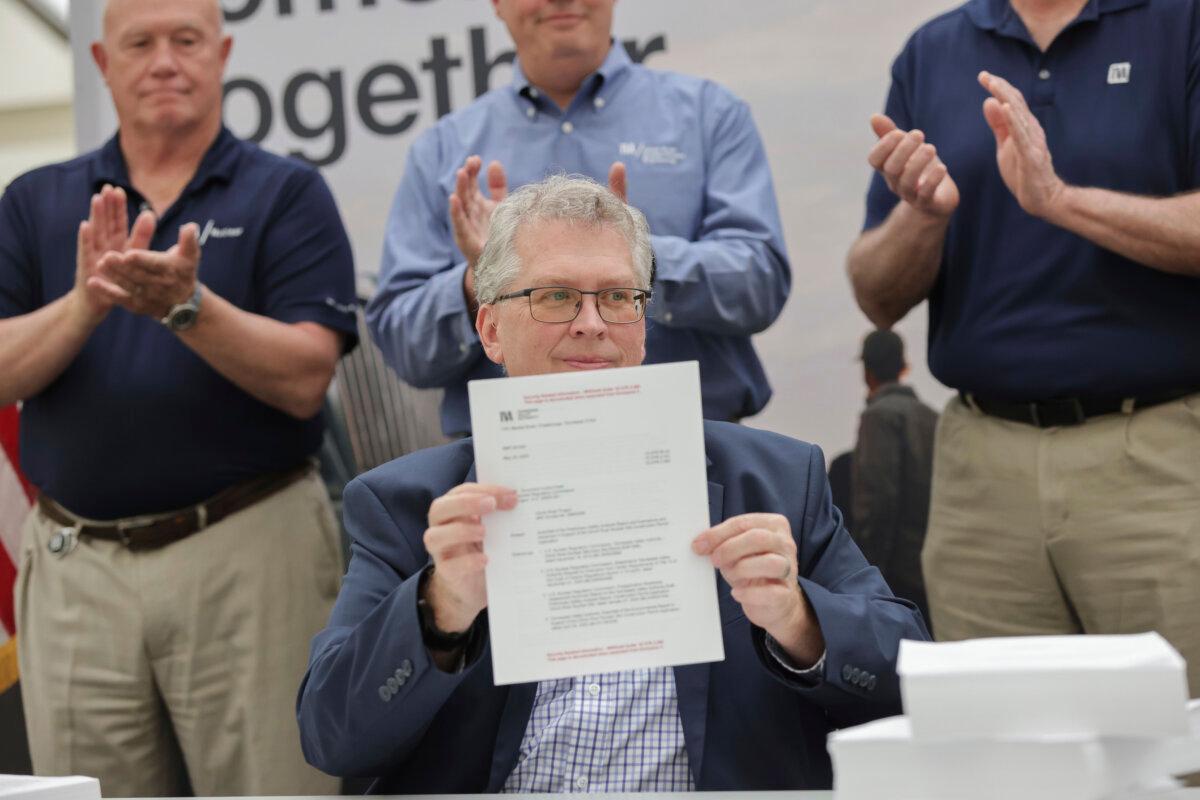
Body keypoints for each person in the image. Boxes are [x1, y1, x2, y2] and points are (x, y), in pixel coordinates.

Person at [298, 176, 926, 792]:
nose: (593, 323)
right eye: (555, 297)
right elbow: (333, 738)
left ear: (643, 324)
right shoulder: (410, 509)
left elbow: (910, 678)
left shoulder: (778, 482)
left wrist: (800, 621)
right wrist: (438, 610)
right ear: (490, 331)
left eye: (619, 297)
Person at [0, 0, 357, 794]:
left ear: (222, 52)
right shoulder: (34, 202)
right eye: (140, 42)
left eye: (186, 39)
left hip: (251, 554)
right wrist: (88, 300)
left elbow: (305, 380)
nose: (165, 60)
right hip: (77, 569)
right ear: (102, 64)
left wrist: (185, 308)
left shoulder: (287, 193)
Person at [846, 0, 1200, 693]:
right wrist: (922, 217)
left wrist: (1060, 200)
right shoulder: (933, 51)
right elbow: (877, 297)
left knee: (1180, 756)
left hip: (1158, 460)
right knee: (1002, 755)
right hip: (982, 474)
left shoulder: (1181, 24)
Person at [367, 0, 790, 438]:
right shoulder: (442, 150)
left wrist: (628, 258)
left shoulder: (710, 115)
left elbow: (760, 284)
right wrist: (488, 273)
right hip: (511, 457)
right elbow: (403, 348)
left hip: (691, 442)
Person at [849, 329, 937, 628]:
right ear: (904, 365)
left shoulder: (877, 417)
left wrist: (868, 570)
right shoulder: (931, 416)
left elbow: (877, 498)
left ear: (866, 371)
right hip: (934, 568)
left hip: (897, 577)